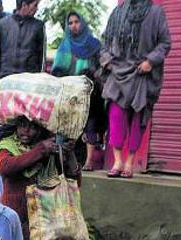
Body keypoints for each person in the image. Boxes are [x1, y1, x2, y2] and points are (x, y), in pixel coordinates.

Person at [99, 0, 171, 178]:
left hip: (141, 73)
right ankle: (117, 162)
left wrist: (150, 61)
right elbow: (105, 41)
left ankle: (129, 162)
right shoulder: (118, 12)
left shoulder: (156, 12)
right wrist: (106, 60)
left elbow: (164, 43)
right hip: (117, 72)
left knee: (138, 120)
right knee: (116, 117)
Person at [51, 12, 103, 171]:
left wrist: (90, 75)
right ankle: (64, 161)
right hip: (69, 93)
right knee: (67, 127)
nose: (74, 25)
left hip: (89, 92)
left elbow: (101, 68)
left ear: (83, 23)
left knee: (90, 124)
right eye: (70, 22)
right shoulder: (65, 46)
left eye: (76, 22)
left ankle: (89, 161)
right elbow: (57, 70)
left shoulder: (94, 45)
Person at [0, 0, 46, 84]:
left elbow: (41, 59)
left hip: (29, 82)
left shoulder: (39, 26)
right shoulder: (1, 25)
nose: (37, 9)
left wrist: (38, 82)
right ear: (24, 5)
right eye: (35, 5)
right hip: (5, 80)